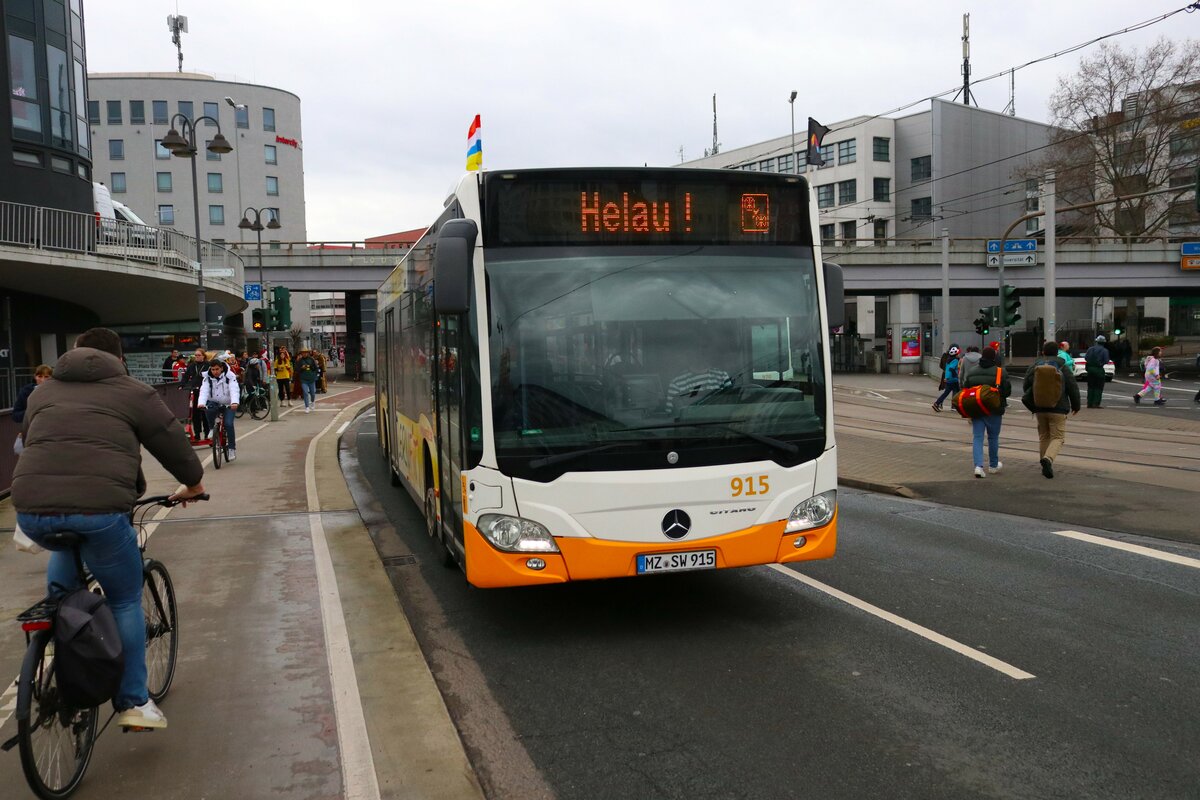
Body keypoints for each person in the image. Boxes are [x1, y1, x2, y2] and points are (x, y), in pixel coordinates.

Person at [13, 327, 205, 730]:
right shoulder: (133, 392)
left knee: (65, 574)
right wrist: (193, 483)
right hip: (100, 513)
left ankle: (56, 632)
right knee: (123, 601)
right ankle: (134, 701)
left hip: (32, 509)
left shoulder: (42, 392)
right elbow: (170, 442)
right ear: (120, 359)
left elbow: (31, 441)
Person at [1023, 340, 1081, 479]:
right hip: (1058, 407)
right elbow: (1072, 387)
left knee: (1044, 436)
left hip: (1039, 408)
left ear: (1043, 352)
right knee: (1058, 437)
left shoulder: (1036, 365)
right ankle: (1048, 459)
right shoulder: (1062, 366)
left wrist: (1034, 400)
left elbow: (1026, 384)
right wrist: (1076, 405)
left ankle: (1044, 464)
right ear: (1058, 352)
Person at [962, 345, 1010, 478]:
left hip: (977, 409)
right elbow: (1007, 392)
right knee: (993, 437)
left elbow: (965, 389)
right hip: (994, 409)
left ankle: (978, 466)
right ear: (994, 358)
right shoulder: (1000, 372)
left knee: (977, 437)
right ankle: (993, 465)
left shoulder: (972, 372)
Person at [198, 359, 240, 459]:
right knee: (209, 409)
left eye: (217, 369)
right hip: (214, 401)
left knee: (228, 424)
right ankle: (212, 428)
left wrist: (234, 402)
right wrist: (201, 403)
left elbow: (234, 389)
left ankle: (231, 449)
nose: (215, 372)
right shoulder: (207, 378)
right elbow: (204, 391)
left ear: (221, 368)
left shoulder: (230, 376)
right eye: (213, 369)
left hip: (228, 403)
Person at [12, 364, 52, 455]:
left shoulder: (57, 391)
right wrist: (30, 412)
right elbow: (15, 415)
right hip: (31, 433)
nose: (43, 380)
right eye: (40, 376)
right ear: (35, 377)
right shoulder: (26, 391)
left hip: (51, 433)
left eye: (47, 377)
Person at [181, 347, 211, 441]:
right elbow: (186, 376)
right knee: (195, 414)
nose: (197, 357)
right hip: (194, 391)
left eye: (199, 355)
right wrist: (182, 385)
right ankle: (197, 433)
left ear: (203, 356)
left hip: (204, 391)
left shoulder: (207, 365)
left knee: (205, 413)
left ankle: (207, 433)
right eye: (196, 355)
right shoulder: (192, 365)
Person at [1083, 335, 1110, 408]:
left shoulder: (1090, 349)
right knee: (1098, 387)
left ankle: (1089, 403)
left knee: (1090, 387)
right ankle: (1096, 403)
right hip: (1099, 370)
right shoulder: (1105, 350)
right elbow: (1106, 361)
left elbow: (1086, 358)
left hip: (1090, 370)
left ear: (1096, 341)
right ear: (1104, 342)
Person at [932, 345, 961, 412]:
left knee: (946, 393)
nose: (958, 354)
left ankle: (937, 403)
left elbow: (947, 369)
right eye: (958, 353)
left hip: (949, 380)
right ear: (956, 354)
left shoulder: (948, 360)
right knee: (959, 393)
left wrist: (946, 378)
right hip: (954, 380)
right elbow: (951, 369)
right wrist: (947, 377)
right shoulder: (955, 361)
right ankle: (960, 407)